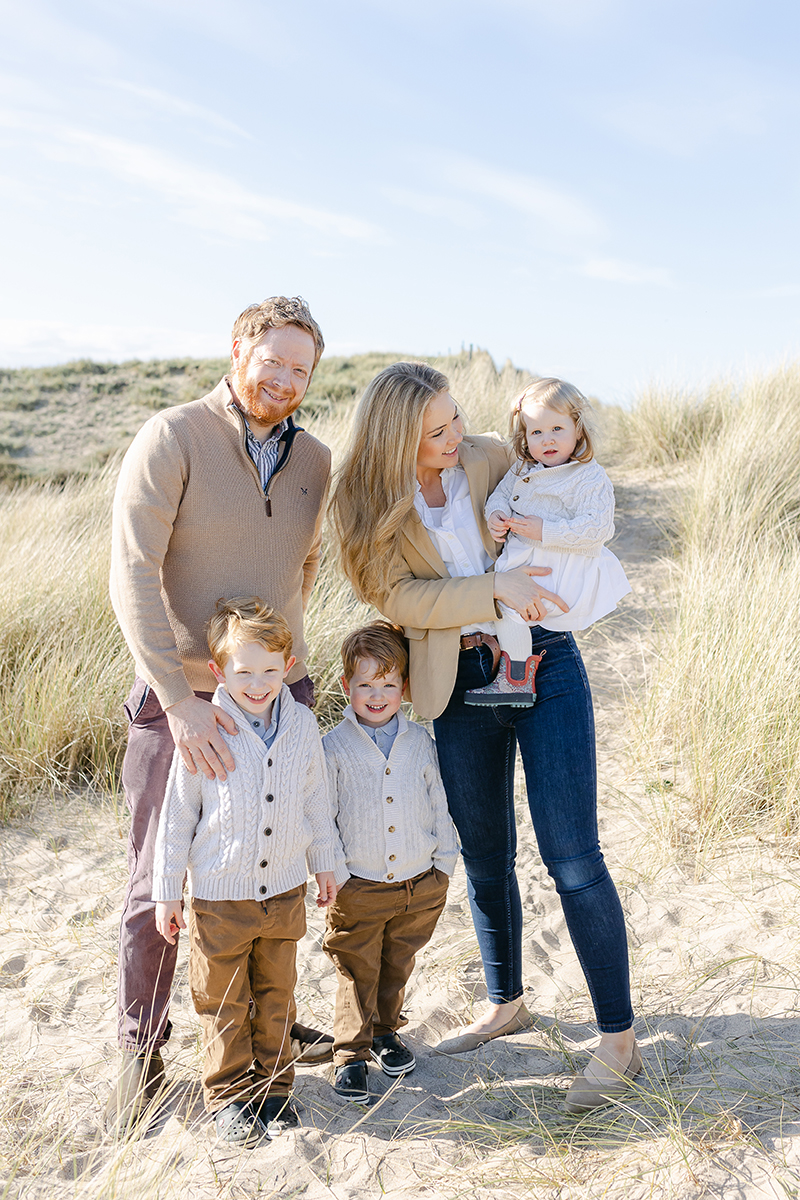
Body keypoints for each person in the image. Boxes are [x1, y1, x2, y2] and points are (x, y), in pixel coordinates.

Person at [329, 361, 640, 1114]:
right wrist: (492, 587)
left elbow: (574, 494)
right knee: (484, 854)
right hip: (456, 680)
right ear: (396, 438)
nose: (456, 437)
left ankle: (619, 1040)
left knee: (572, 853)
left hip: (542, 659)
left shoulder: (495, 454)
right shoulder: (368, 502)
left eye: (457, 419)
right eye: (436, 433)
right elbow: (396, 595)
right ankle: (507, 1005)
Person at [108, 296, 334, 1131]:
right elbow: (130, 575)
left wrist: (280, 674)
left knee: (273, 866)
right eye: (270, 360)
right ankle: (141, 1052)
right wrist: (182, 701)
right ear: (237, 349)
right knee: (159, 881)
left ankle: (261, 1026)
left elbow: (302, 573)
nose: (282, 379)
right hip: (186, 702)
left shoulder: (315, 458)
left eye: (300, 369)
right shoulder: (173, 436)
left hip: (280, 693)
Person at [153, 598, 347, 1145]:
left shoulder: (302, 723)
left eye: (270, 669)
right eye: (244, 672)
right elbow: (176, 816)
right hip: (220, 898)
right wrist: (168, 892)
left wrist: (324, 862)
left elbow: (315, 799)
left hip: (285, 890)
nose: (258, 683)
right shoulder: (202, 727)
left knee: (278, 991)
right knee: (224, 1001)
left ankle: (274, 1088)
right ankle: (230, 1096)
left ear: (288, 666)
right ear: (218, 672)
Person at [321, 621, 458, 1103]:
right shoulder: (332, 748)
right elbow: (323, 817)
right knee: (356, 969)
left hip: (420, 883)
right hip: (359, 885)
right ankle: (350, 1055)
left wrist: (444, 864)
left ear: (404, 687)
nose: (376, 695)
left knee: (397, 964)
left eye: (387, 685)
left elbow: (440, 803)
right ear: (347, 686)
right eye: (365, 684)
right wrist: (338, 876)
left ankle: (384, 1032)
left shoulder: (420, 743)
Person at [464, 377, 631, 705]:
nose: (547, 440)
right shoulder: (523, 469)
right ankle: (515, 675)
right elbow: (500, 497)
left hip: (559, 566)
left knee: (509, 606)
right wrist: (495, 516)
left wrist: (544, 530)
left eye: (557, 429)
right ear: (524, 436)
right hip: (524, 562)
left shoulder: (588, 476)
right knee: (503, 606)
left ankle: (515, 680)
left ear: (578, 429)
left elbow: (597, 529)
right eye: (536, 432)